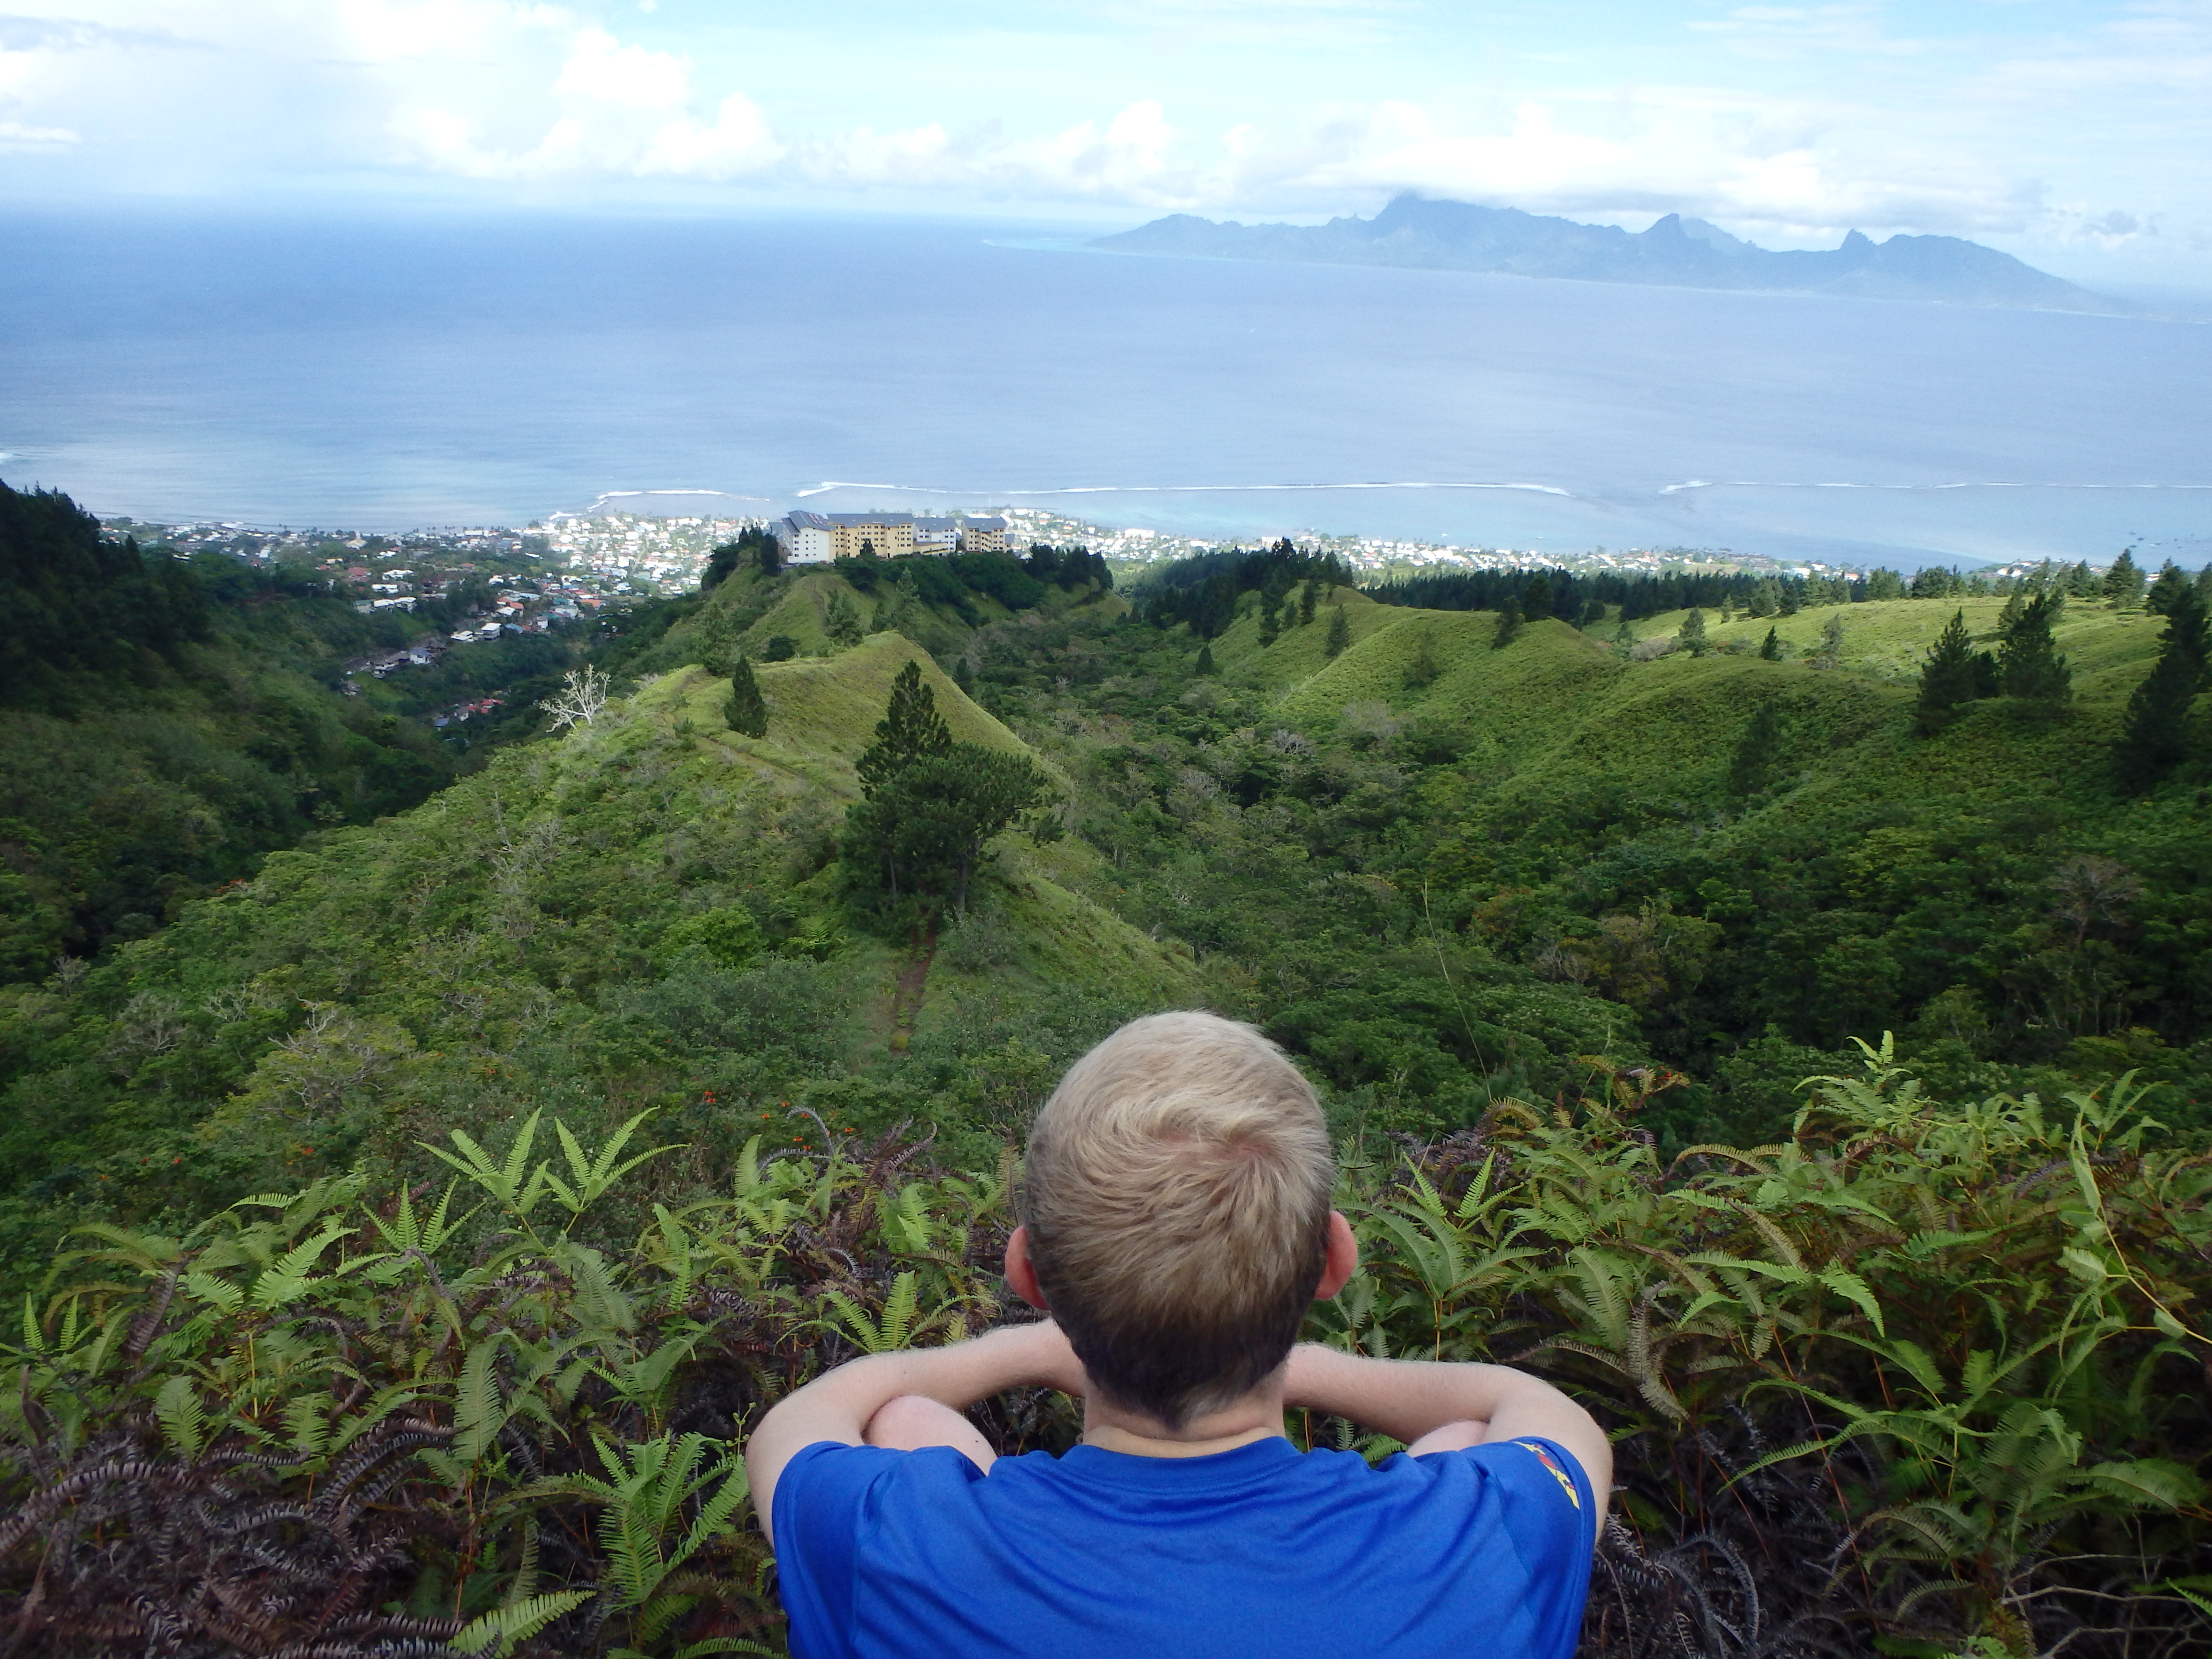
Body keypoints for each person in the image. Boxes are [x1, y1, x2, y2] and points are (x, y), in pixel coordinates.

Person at [745, 1011, 1610, 1659]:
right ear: (1333, 1264)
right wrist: (1290, 1363)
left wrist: (1034, 1350)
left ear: (1028, 1276)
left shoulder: (890, 1545)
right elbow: (1529, 1405)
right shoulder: (1492, 1536)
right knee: (1467, 1441)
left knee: (901, 1424)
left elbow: (801, 1421)